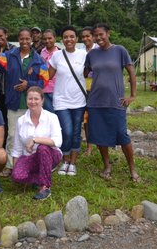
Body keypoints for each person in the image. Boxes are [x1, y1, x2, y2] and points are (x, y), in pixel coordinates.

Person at [84, 23, 140, 182]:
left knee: (122, 135)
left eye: (101, 34)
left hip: (116, 101)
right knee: (101, 136)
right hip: (95, 101)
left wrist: (132, 95)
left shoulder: (120, 50)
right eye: (96, 35)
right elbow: (85, 72)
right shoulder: (92, 54)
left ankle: (132, 169)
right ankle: (107, 166)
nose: (98, 37)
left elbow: (131, 72)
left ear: (108, 33)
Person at [0, 27, 48, 177]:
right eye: (22, 39)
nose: (24, 41)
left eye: (27, 39)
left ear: (31, 39)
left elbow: (43, 82)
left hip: (31, 105)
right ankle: (10, 165)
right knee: (12, 134)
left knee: (31, 135)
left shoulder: (39, 60)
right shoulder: (9, 56)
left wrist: (28, 84)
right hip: (13, 102)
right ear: (18, 39)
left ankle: (30, 164)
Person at [11, 86, 62, 200]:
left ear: (42, 100)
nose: (33, 102)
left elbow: (57, 142)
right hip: (30, 156)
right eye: (30, 99)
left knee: (42, 148)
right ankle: (41, 175)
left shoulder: (52, 117)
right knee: (17, 176)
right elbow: (17, 147)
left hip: (51, 154)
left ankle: (45, 187)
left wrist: (35, 140)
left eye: (36, 99)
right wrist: (16, 168)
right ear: (26, 100)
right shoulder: (21, 121)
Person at [48, 26, 87, 176]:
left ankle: (73, 163)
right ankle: (64, 160)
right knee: (67, 131)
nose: (69, 39)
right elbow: (47, 76)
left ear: (77, 39)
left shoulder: (84, 55)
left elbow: (88, 73)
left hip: (79, 100)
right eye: (65, 37)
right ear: (62, 39)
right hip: (61, 100)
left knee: (76, 132)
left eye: (72, 36)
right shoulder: (57, 56)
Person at [0, 26, 15, 149]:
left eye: (1, 36)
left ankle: (7, 146)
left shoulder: (14, 50)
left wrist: (0, 56)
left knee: (8, 120)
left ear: (6, 35)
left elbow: (12, 68)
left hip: (9, 91)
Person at [81, 26, 98, 156]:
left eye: (88, 36)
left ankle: (102, 143)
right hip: (83, 89)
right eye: (83, 36)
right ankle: (89, 145)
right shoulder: (80, 51)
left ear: (93, 36)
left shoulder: (99, 50)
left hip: (98, 89)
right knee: (86, 118)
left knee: (99, 118)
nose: (86, 38)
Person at [39, 29, 59, 113]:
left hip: (57, 90)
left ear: (55, 38)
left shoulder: (60, 53)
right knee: (49, 115)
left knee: (58, 115)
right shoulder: (41, 52)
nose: (47, 41)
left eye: (50, 38)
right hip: (44, 89)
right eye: (45, 39)